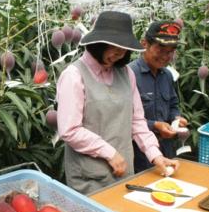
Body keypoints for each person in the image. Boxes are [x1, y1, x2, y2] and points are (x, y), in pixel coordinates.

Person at [56, 11, 180, 195]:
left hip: (123, 172)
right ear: (98, 44)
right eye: (114, 47)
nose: (120, 54)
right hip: (90, 178)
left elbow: (137, 120)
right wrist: (109, 152)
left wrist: (156, 155)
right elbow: (70, 130)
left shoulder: (126, 74)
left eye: (124, 49)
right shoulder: (73, 76)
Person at [128, 20, 189, 173]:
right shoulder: (129, 75)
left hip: (166, 148)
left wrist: (176, 118)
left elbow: (173, 104)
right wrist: (155, 125)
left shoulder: (167, 75)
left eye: (170, 52)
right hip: (139, 153)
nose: (165, 56)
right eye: (161, 49)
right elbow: (124, 119)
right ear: (144, 44)